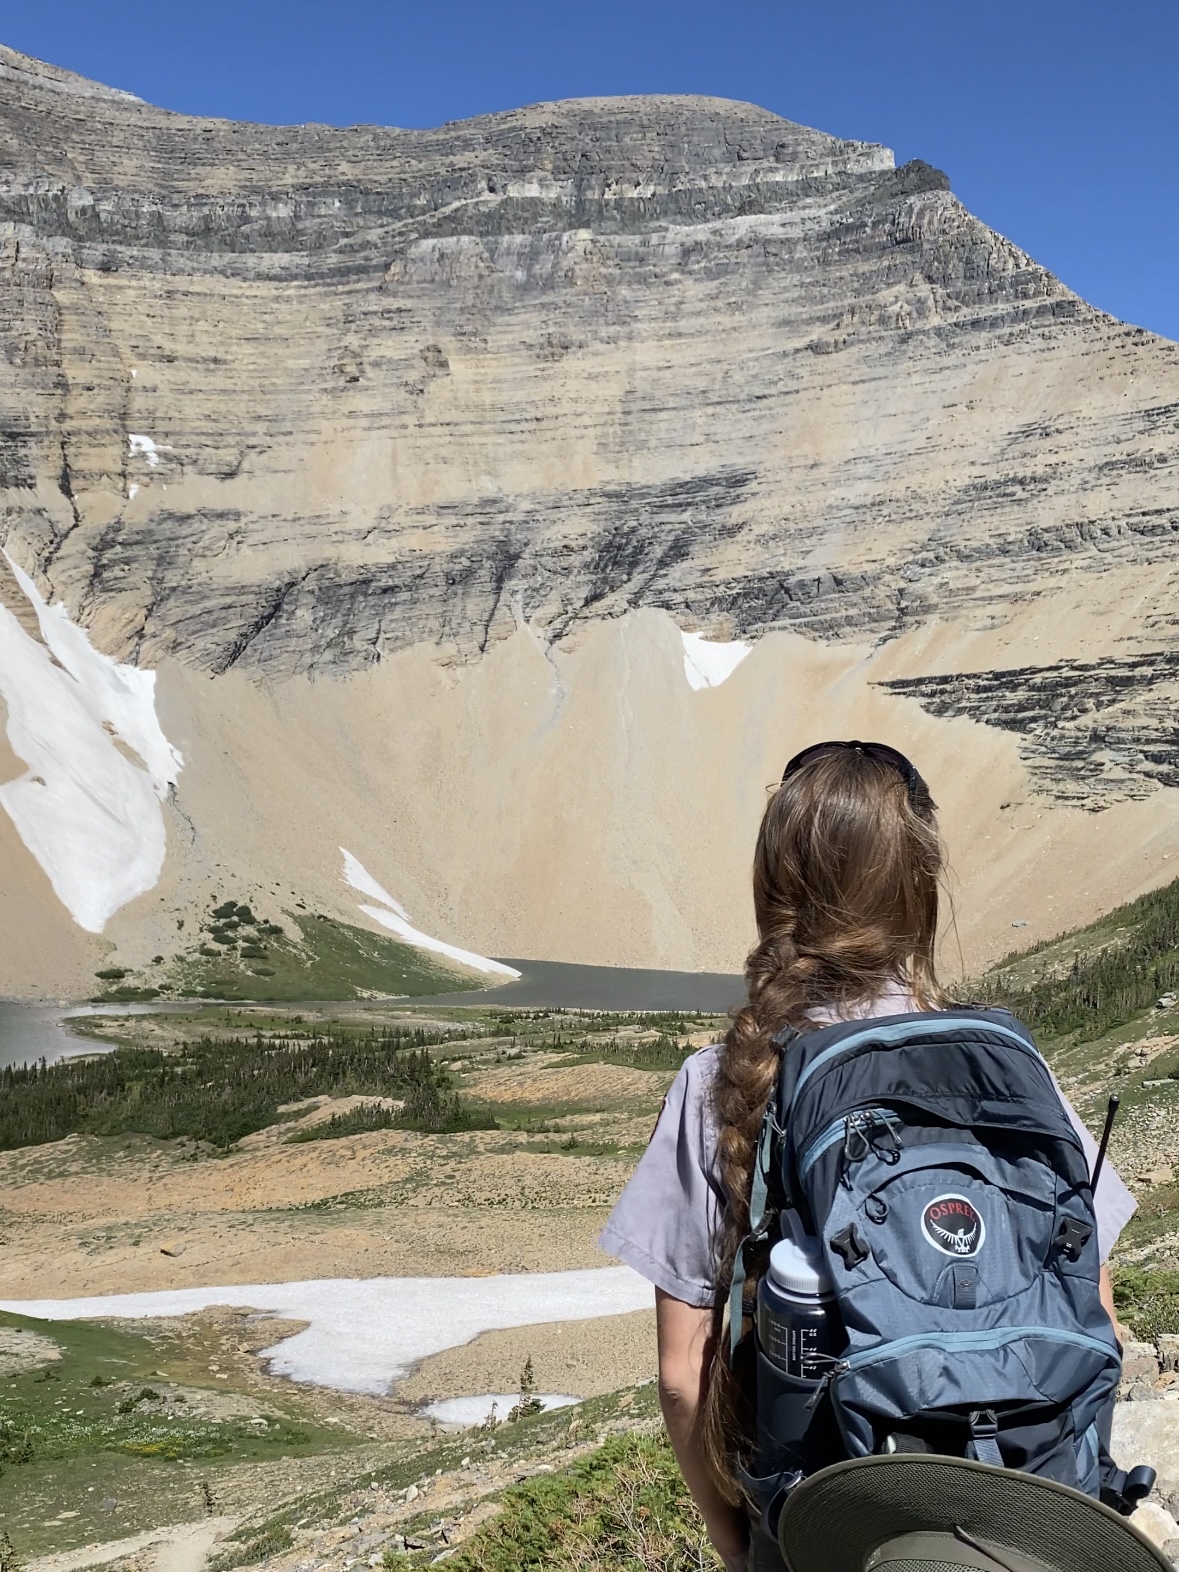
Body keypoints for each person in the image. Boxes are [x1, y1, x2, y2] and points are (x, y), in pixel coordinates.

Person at [599, 740, 1137, 1572]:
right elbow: (1090, 1296)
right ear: (918, 884)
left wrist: (734, 1541)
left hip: (827, 1517)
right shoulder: (1001, 1062)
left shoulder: (720, 1079)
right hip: (1029, 1508)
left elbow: (683, 1377)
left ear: (775, 883)